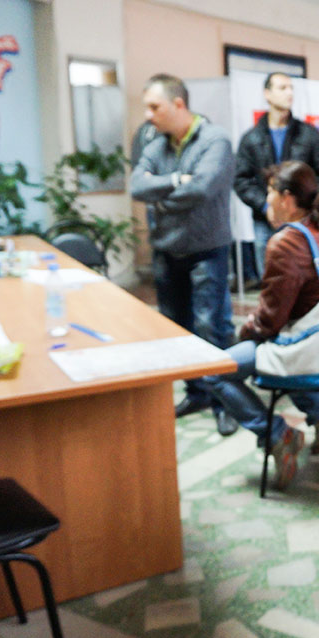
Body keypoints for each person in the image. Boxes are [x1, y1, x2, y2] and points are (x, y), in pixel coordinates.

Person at [215, 160, 319, 489]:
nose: (265, 199)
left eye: (269, 192)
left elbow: (269, 322)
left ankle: (279, 435)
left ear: (286, 199)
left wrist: (245, 331)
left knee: (214, 371)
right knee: (277, 347)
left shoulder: (287, 243)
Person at [130, 73, 240, 436]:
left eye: (154, 107)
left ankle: (225, 402)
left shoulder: (215, 140)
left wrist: (161, 199)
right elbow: (137, 187)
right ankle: (197, 393)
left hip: (207, 249)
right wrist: (178, 180)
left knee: (212, 327)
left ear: (178, 104)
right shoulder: (155, 143)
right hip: (167, 250)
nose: (148, 115)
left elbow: (203, 189)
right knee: (177, 327)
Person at [234, 72, 319, 278]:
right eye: (282, 88)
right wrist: (267, 207)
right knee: (271, 281)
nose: (289, 93)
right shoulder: (251, 138)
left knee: (304, 279)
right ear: (267, 94)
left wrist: (302, 206)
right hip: (266, 222)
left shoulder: (308, 134)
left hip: (303, 222)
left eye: (291, 88)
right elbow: (241, 180)